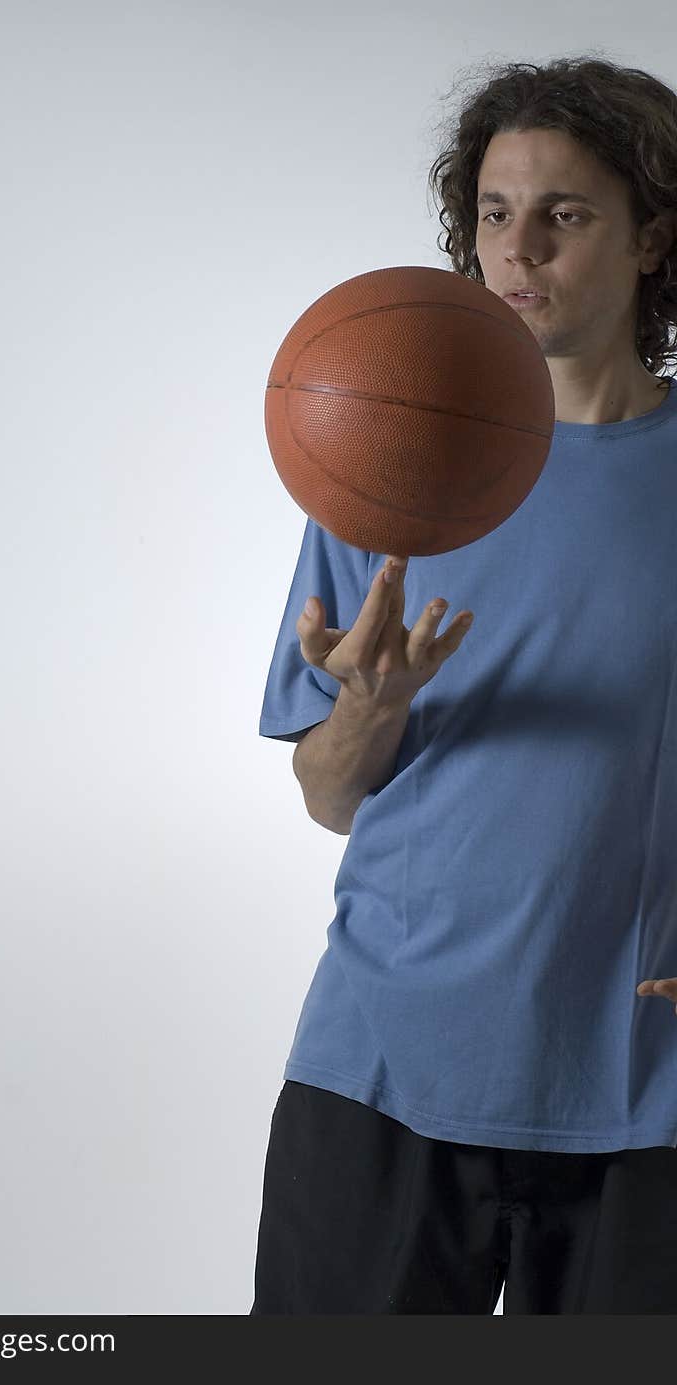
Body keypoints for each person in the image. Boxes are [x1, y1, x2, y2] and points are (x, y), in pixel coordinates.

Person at [251, 54, 677, 1315]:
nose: (518, 247)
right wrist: (368, 714)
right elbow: (328, 794)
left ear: (655, 237)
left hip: (641, 1092)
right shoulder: (383, 461)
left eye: (565, 213)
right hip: (380, 1067)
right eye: (494, 213)